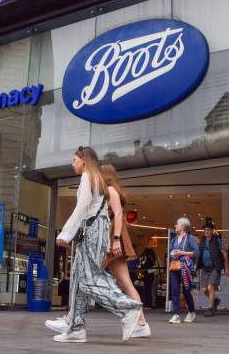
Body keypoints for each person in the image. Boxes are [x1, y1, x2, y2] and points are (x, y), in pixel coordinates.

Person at [48, 146, 142, 343]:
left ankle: (127, 308)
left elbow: (82, 207)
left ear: (84, 160)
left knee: (89, 278)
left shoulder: (87, 177)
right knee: (78, 278)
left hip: (92, 231)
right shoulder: (96, 178)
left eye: (74, 159)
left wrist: (66, 233)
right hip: (95, 231)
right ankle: (76, 328)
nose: (72, 163)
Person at [100, 163, 151, 338]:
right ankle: (142, 323)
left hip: (112, 239)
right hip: (116, 238)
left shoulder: (109, 192)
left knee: (87, 276)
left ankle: (71, 321)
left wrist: (113, 241)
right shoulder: (114, 191)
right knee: (125, 283)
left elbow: (118, 216)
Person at [168, 217, 199, 324]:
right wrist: (172, 253)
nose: (175, 225)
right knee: (175, 290)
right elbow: (170, 251)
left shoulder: (190, 238)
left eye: (177, 224)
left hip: (186, 268)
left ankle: (191, 311)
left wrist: (182, 252)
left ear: (183, 226)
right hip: (174, 267)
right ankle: (176, 314)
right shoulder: (174, 239)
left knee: (186, 291)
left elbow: (196, 252)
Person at [197, 218, 229, 317]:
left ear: (212, 231)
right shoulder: (202, 240)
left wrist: (226, 267)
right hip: (205, 268)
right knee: (204, 289)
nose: (206, 231)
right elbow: (198, 252)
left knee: (210, 287)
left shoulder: (217, 240)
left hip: (215, 267)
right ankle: (215, 300)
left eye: (208, 230)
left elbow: (225, 253)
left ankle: (210, 308)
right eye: (205, 230)